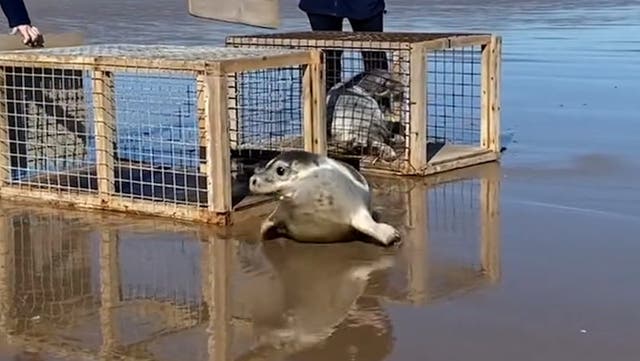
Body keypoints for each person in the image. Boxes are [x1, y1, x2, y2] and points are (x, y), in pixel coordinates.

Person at [299, 0, 389, 92]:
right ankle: (327, 101)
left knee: (374, 55)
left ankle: (381, 101)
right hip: (319, 5)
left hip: (365, 5)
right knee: (327, 58)